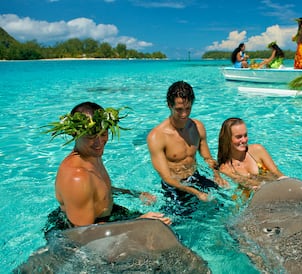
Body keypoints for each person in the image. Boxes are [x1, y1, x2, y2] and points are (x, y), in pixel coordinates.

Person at [43, 102, 171, 236]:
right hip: (79, 236)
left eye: (103, 134)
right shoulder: (78, 177)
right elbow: (83, 236)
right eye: (91, 136)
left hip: (105, 221)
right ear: (74, 133)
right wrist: (139, 223)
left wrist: (132, 193)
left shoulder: (91, 155)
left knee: (171, 223)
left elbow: (98, 189)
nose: (99, 143)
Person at [147, 81, 228, 213]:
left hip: (195, 177)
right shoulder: (157, 137)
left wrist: (217, 175)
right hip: (174, 185)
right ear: (169, 105)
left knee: (225, 202)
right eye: (179, 109)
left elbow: (207, 157)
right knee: (180, 221)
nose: (184, 114)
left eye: (188, 108)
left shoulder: (197, 127)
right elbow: (167, 178)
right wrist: (196, 193)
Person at [217, 117, 285, 192]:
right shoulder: (226, 169)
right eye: (239, 137)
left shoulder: (257, 150)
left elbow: (277, 173)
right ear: (227, 139)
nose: (244, 140)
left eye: (245, 135)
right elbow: (247, 183)